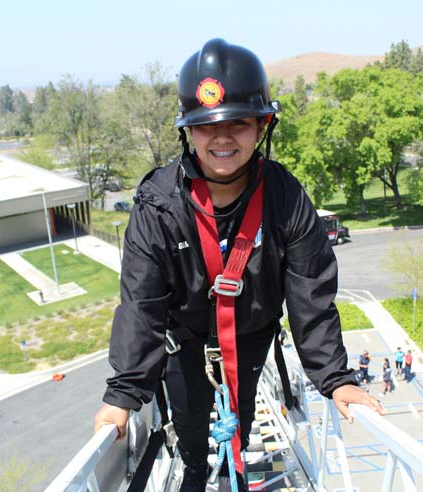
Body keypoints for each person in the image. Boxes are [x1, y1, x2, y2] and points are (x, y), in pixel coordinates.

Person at [93, 38, 385, 492]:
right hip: (183, 343)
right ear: (188, 132)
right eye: (207, 127)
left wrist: (335, 378)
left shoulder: (285, 199)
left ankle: (235, 468)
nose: (223, 137)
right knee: (191, 431)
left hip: (249, 339)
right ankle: (195, 472)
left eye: (239, 123)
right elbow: (141, 304)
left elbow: (311, 295)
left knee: (241, 420)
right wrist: (124, 395)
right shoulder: (159, 205)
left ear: (262, 125)